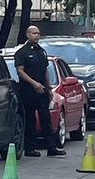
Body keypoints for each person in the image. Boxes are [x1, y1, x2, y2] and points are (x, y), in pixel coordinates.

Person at [13, 26, 66, 157]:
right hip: (28, 90)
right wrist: (34, 83)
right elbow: (20, 71)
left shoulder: (41, 52)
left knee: (45, 118)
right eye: (34, 33)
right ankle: (29, 148)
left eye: (38, 33)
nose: (37, 35)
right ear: (28, 34)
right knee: (30, 119)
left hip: (41, 90)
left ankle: (51, 147)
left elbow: (45, 70)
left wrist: (49, 88)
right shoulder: (22, 52)